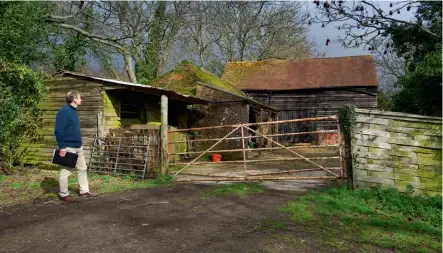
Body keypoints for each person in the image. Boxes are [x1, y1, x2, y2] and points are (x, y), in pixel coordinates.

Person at [54, 90, 97, 202]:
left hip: (78, 147)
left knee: (82, 168)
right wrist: (62, 147)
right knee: (65, 172)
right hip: (68, 147)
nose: (81, 99)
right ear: (74, 99)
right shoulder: (64, 111)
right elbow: (59, 131)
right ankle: (64, 194)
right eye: (80, 98)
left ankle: (84, 191)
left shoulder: (74, 111)